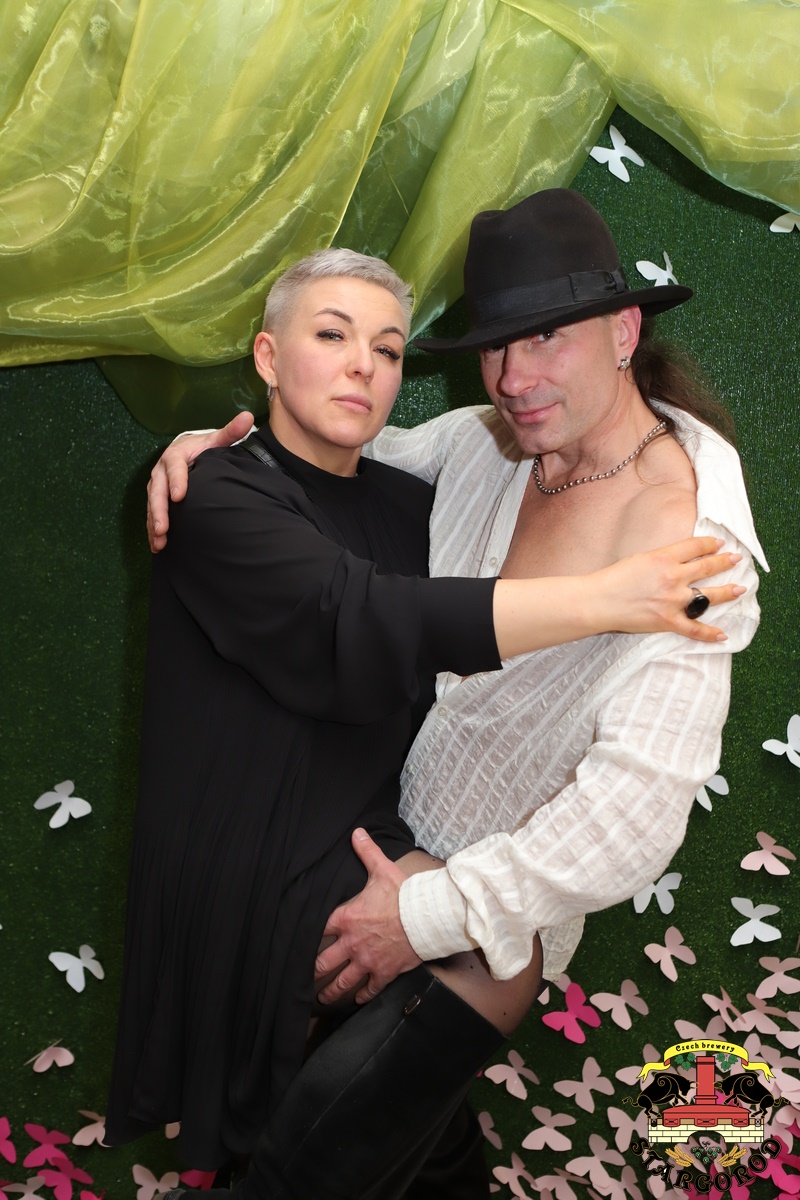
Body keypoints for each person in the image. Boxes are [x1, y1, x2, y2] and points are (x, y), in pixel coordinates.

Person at [146, 191, 764, 1198]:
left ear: (624, 332)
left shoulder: (691, 540)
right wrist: (210, 454)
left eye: (545, 338)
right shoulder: (486, 445)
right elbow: (334, 461)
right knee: (395, 1156)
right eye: (494, 347)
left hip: (475, 929)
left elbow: (634, 814)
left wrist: (425, 915)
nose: (513, 378)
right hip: (364, 853)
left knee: (292, 1168)